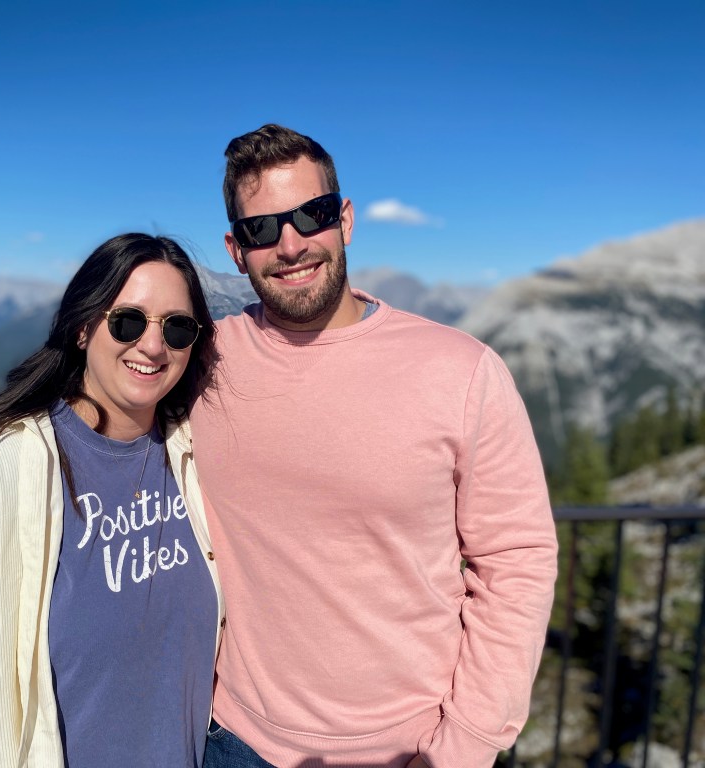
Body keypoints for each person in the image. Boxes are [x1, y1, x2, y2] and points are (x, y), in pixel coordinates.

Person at [190, 124, 558, 768]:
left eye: (313, 214)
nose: (291, 243)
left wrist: (464, 746)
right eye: (261, 228)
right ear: (234, 248)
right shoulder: (202, 357)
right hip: (229, 738)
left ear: (346, 219)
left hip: (406, 750)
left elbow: (518, 562)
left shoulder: (461, 370)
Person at [0, 233, 224, 767]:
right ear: (83, 328)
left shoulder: (198, 458)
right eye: (128, 321)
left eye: (177, 328)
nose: (153, 346)